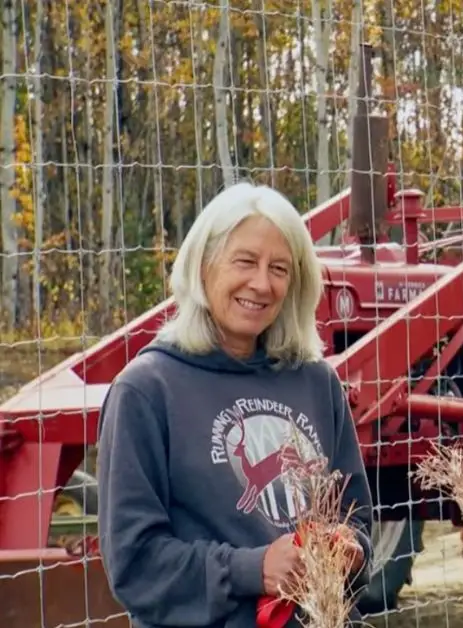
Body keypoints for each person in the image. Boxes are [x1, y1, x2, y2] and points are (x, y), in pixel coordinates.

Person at [96, 182, 375, 627]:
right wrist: (252, 570)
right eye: (245, 261)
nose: (261, 284)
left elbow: (356, 516)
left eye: (279, 268)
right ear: (203, 266)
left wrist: (349, 550)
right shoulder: (146, 390)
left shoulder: (316, 381)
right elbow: (135, 563)